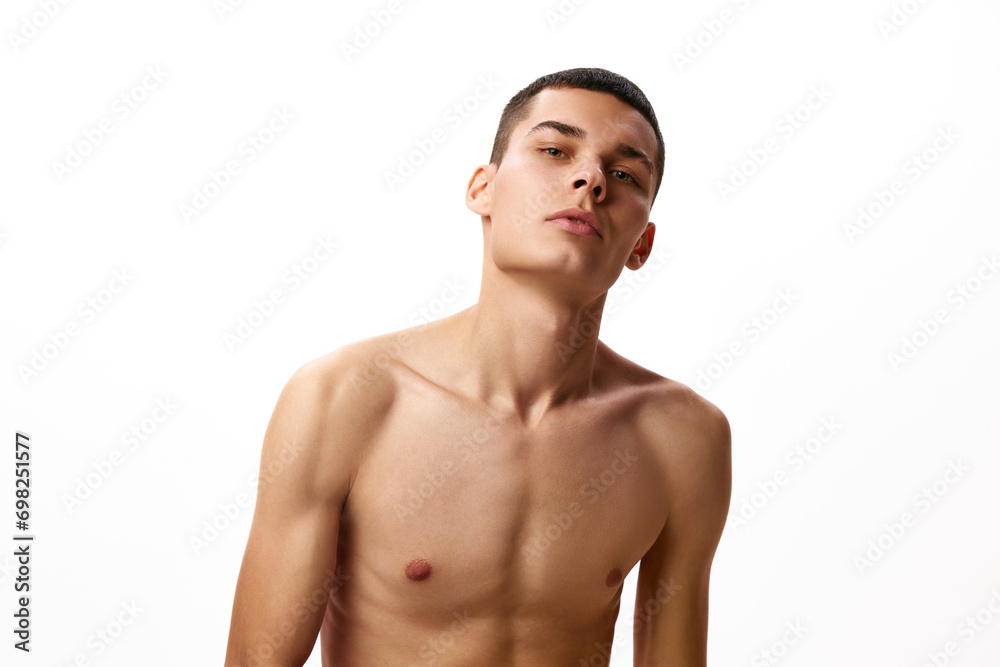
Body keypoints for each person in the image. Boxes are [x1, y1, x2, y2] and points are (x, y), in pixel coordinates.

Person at [224, 67, 732, 667]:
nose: (589, 178)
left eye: (623, 173)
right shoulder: (345, 398)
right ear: (482, 189)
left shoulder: (682, 439)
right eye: (554, 150)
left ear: (642, 243)